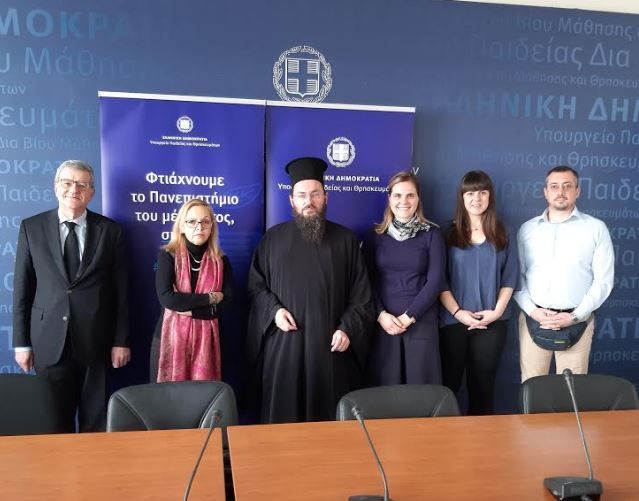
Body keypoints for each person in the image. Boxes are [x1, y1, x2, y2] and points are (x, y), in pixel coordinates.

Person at [246, 157, 373, 424]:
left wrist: (347, 328)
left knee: (330, 428)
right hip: (285, 350)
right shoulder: (272, 240)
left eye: (315, 194)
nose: (309, 201)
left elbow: (361, 296)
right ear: (291, 200)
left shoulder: (346, 240)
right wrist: (274, 311)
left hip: (331, 351)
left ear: (326, 197)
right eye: (302, 195)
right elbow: (256, 287)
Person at [13, 160, 130, 432]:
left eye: (82, 184)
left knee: (96, 423)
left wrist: (121, 341)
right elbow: (22, 288)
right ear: (56, 187)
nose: (74, 189)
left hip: (96, 342)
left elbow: (122, 292)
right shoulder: (31, 227)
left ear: (92, 192)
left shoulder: (111, 231)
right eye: (67, 182)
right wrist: (21, 344)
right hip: (48, 341)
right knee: (53, 423)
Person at [514, 166, 614, 381]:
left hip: (577, 321)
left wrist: (574, 316)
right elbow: (517, 278)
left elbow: (603, 282)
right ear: (545, 192)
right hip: (534, 320)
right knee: (532, 386)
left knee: (571, 391)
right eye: (554, 186)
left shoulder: (596, 229)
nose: (560, 192)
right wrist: (532, 311)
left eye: (567, 186)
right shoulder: (527, 230)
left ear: (578, 191)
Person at [439, 171, 518, 415]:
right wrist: (458, 313)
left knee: (483, 387)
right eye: (470, 193)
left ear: (490, 196)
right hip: (453, 321)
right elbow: (440, 281)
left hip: (492, 323)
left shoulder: (503, 232)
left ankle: (480, 438)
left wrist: (496, 312)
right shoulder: (447, 233)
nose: (477, 198)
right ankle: (445, 436)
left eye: (483, 192)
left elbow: (510, 278)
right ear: (462, 197)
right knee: (448, 386)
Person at [364, 171, 445, 385]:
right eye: (398, 195)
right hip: (384, 323)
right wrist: (381, 315)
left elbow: (435, 281)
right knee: (386, 390)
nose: (404, 201)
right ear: (389, 198)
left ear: (418, 198)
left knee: (421, 390)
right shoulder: (375, 235)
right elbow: (367, 281)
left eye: (410, 195)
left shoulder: (432, 234)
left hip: (421, 321)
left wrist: (409, 316)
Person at [149, 199, 233, 382]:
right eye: (192, 221)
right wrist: (210, 298)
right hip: (169, 341)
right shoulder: (168, 255)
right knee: (167, 396)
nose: (199, 227)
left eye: (205, 221)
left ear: (212, 227)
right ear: (181, 226)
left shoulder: (222, 261)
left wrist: (192, 311)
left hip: (208, 344)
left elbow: (227, 303)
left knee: (203, 396)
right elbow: (167, 299)